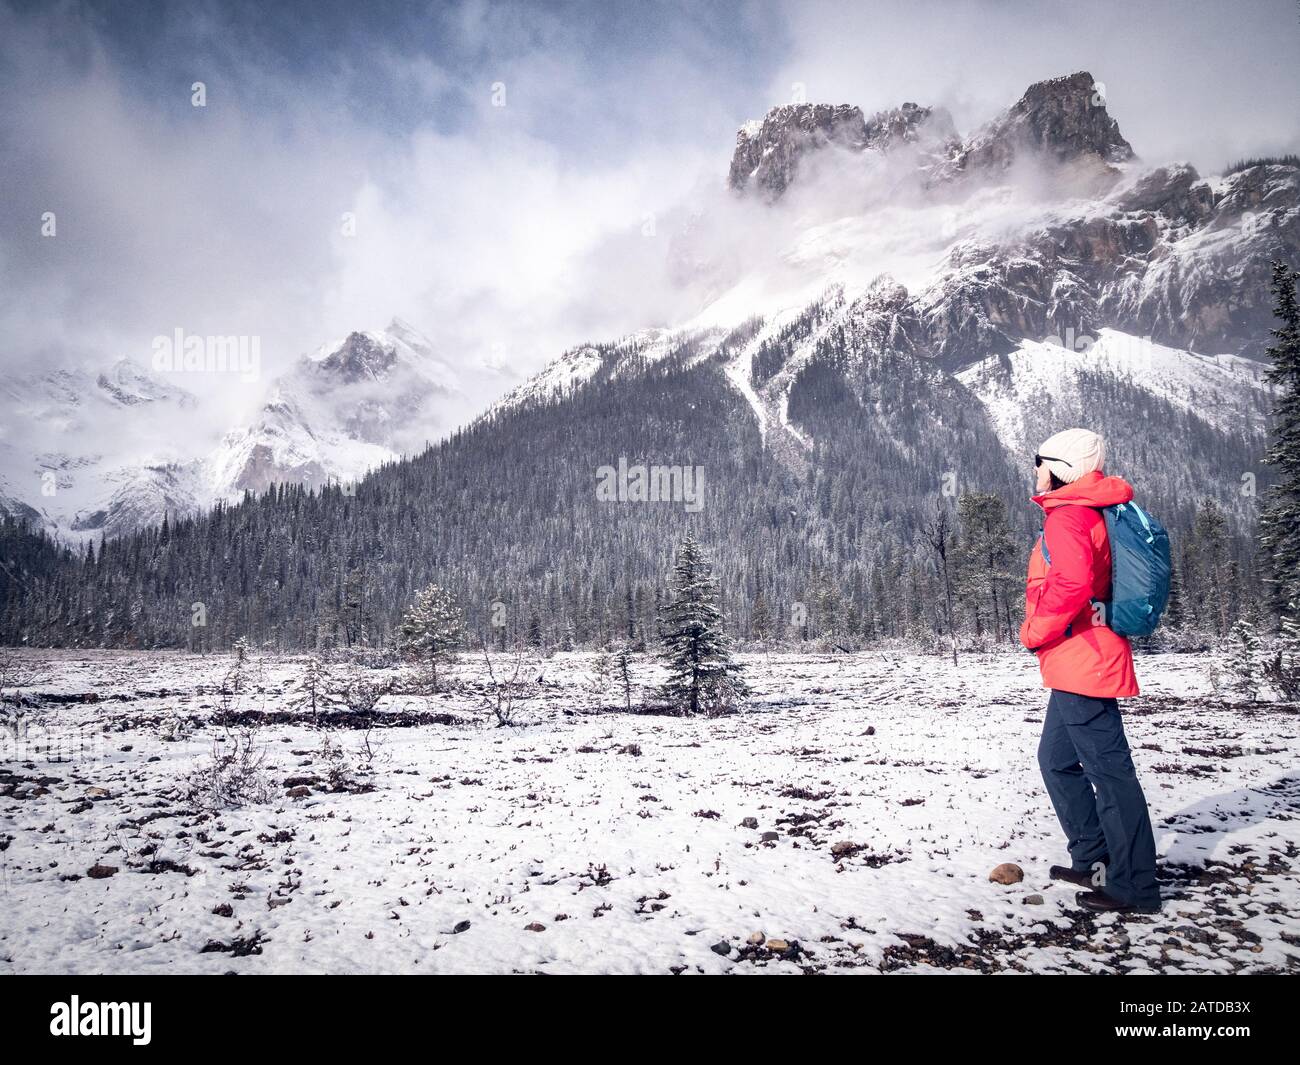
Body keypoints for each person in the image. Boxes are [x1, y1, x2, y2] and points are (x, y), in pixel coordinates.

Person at [1020, 428, 1161, 914]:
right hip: (1079, 658)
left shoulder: (1069, 516)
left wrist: (1035, 630)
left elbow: (1072, 583)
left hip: (1083, 657)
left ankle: (1135, 886)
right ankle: (1096, 859)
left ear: (1061, 468)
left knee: (1110, 771)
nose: (1035, 468)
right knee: (1056, 760)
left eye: (1041, 460)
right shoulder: (1091, 511)